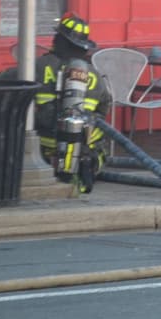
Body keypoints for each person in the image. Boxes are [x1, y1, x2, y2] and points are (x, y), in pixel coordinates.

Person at [30, 13, 113, 190]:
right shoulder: (94, 75)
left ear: (60, 40)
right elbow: (104, 108)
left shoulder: (37, 66)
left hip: (42, 154)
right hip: (85, 155)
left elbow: (6, 82)